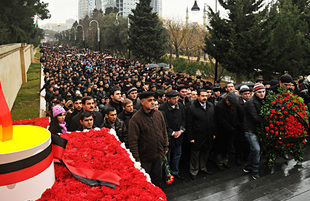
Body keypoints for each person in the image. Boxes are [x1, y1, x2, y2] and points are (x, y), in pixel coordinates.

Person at [128, 91, 169, 187]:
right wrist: (136, 158)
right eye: (149, 100)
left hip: (158, 154)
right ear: (142, 102)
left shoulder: (158, 114)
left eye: (153, 100)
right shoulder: (135, 119)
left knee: (157, 179)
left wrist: (166, 146)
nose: (152, 102)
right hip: (145, 158)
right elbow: (133, 141)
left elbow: (164, 131)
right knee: (145, 182)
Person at [187, 89, 216, 180]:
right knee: (195, 154)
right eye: (202, 96)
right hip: (197, 135)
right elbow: (189, 123)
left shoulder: (211, 106)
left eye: (206, 96)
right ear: (198, 96)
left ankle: (203, 167)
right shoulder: (192, 108)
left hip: (208, 134)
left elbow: (213, 121)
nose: (204, 98)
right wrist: (191, 137)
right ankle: (194, 170)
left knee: (205, 152)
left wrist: (214, 132)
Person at [159, 90, 186, 180]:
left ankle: (175, 171)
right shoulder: (162, 108)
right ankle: (168, 174)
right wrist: (173, 133)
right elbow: (163, 124)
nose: (176, 100)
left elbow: (184, 119)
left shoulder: (180, 106)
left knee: (177, 156)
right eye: (174, 99)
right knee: (168, 158)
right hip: (168, 138)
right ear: (168, 99)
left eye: (177, 98)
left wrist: (181, 130)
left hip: (179, 137)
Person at [243, 83, 266, 179]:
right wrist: (268, 119)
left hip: (256, 129)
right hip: (250, 130)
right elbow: (256, 118)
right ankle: (255, 171)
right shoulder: (250, 103)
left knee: (254, 150)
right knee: (257, 150)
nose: (262, 94)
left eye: (263, 92)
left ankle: (248, 166)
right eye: (259, 92)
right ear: (255, 93)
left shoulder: (263, 101)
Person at [214, 92, 242, 170]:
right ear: (226, 100)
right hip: (223, 131)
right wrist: (230, 128)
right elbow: (221, 120)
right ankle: (219, 163)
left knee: (228, 146)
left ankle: (225, 161)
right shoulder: (219, 106)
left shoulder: (234, 104)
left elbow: (236, 115)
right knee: (220, 147)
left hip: (232, 129)